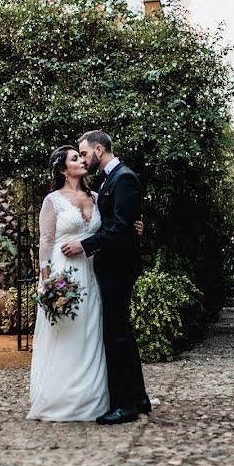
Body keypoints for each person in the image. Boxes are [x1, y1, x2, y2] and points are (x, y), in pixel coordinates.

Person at [28, 145, 145, 422]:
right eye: (74, 158)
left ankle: (94, 395)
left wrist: (135, 227)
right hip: (63, 272)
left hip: (93, 273)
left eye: (81, 155)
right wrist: (46, 280)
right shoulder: (52, 200)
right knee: (66, 332)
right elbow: (45, 241)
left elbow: (115, 224)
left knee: (91, 331)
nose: (81, 160)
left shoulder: (97, 196)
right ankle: (63, 396)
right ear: (62, 169)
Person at [61, 130, 150, 425]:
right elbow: (122, 220)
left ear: (99, 149)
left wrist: (85, 245)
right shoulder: (107, 180)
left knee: (117, 334)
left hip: (119, 267)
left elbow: (121, 226)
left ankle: (125, 406)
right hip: (110, 266)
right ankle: (138, 398)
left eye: (84, 153)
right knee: (119, 332)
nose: (83, 159)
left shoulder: (123, 177)